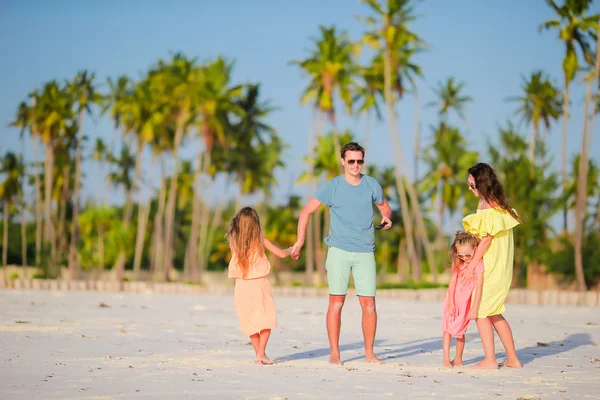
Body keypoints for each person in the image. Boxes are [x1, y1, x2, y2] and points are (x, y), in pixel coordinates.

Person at [290, 142, 392, 365]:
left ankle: (369, 353)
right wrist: (300, 240)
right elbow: (306, 211)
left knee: (369, 305)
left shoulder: (371, 184)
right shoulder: (332, 187)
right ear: (343, 162)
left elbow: (384, 206)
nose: (356, 165)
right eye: (351, 161)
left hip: (365, 251)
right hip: (338, 251)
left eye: (360, 161)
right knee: (336, 303)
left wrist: (386, 216)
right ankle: (335, 353)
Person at [460, 162, 522, 369]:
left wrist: (471, 265)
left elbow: (486, 240)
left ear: (482, 183)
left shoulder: (490, 205)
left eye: (472, 185)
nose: (471, 189)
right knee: (494, 311)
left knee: (480, 311)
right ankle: (512, 359)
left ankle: (490, 360)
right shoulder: (495, 204)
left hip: (493, 266)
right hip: (497, 266)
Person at [226, 207, 292, 365]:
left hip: (241, 286)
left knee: (250, 321)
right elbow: (281, 254)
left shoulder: (234, 241)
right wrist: (292, 249)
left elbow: (234, 229)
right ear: (256, 223)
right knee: (266, 318)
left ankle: (259, 354)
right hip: (260, 284)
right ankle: (261, 353)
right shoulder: (260, 240)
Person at [441, 231, 484, 368]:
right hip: (452, 299)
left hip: (465, 303)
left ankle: (458, 358)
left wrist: (474, 308)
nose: (464, 258)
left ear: (475, 250)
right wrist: (451, 303)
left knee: (460, 332)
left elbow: (479, 286)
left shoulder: (478, 265)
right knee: (447, 329)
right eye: (461, 255)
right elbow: (452, 282)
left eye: (468, 255)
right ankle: (446, 359)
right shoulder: (458, 262)